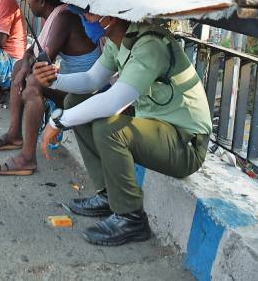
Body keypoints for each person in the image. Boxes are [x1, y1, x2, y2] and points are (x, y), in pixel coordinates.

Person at [33, 15, 212, 246]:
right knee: (75, 102)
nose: (86, 18)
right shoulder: (118, 41)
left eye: (92, 12)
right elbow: (91, 80)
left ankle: (131, 217)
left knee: (109, 129)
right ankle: (108, 195)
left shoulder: (150, 45)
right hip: (156, 125)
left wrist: (57, 122)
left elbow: (113, 102)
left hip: (185, 143)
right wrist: (54, 80)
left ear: (114, 14)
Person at [0, 0, 101, 175]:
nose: (27, 2)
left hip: (85, 91)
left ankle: (27, 158)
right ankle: (14, 134)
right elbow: (31, 52)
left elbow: (45, 60)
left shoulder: (64, 17)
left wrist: (27, 68)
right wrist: (24, 67)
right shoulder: (56, 16)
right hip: (75, 85)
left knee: (34, 83)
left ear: (42, 0)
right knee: (21, 66)